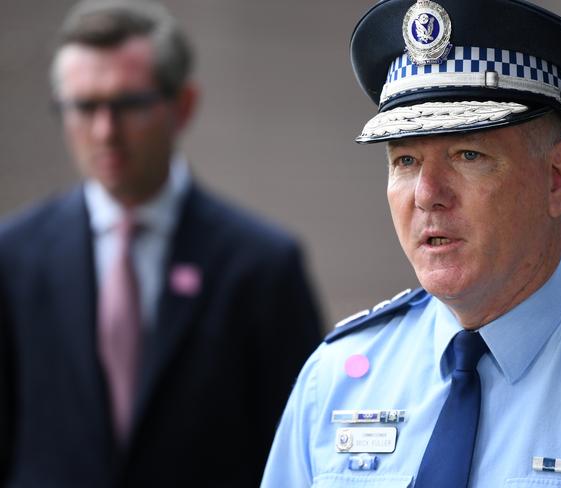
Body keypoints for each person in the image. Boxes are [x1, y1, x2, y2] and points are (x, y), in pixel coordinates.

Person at [262, 0, 561, 486]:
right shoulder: (336, 378)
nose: (427, 194)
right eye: (405, 161)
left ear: (557, 179)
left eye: (469, 153)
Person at [0, 0, 323, 486]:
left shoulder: (261, 265)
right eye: (85, 107)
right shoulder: (14, 257)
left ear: (182, 106)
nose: (105, 131)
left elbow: (299, 448)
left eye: (128, 104)